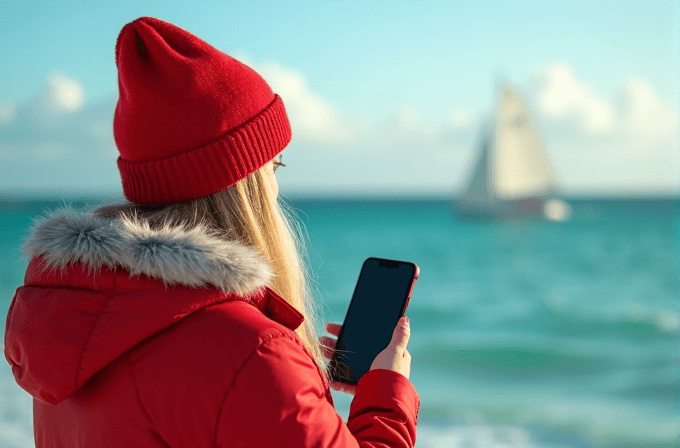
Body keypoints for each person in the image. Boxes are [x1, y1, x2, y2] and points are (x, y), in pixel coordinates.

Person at [4, 16, 420, 448]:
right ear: (246, 184)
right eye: (274, 166)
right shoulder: (253, 353)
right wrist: (386, 392)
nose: (277, 185)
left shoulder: (74, 331)